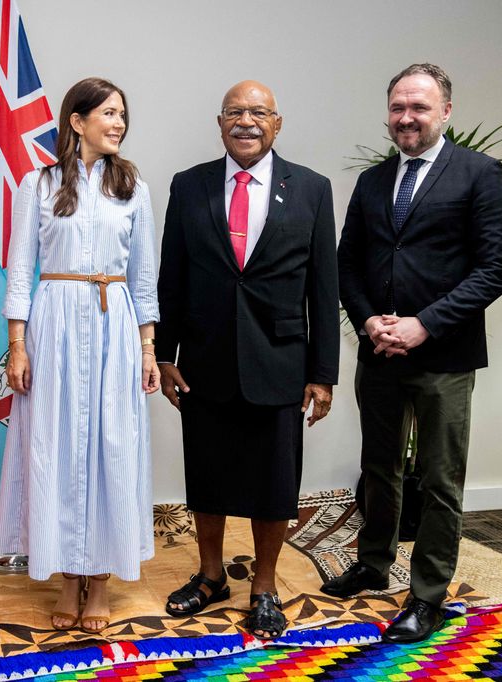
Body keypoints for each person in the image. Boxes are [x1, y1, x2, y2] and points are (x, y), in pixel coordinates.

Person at [324, 63, 502, 643]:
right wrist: (368, 322)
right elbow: (347, 261)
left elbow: (495, 269)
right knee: (378, 468)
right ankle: (373, 563)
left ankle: (428, 595)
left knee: (438, 478)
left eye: (420, 107)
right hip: (378, 353)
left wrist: (423, 326)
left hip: (444, 359)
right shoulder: (374, 181)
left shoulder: (480, 174)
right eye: (398, 107)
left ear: (445, 113)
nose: (407, 117)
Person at [156, 81, 339, 639]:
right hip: (204, 360)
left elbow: (323, 288)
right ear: (220, 122)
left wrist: (323, 374)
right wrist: (164, 354)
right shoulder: (189, 186)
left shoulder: (311, 188)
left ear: (277, 123)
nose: (247, 121)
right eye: (236, 111)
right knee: (207, 474)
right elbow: (172, 277)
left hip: (280, 361)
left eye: (258, 112)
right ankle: (210, 575)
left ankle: (263, 585)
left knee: (272, 481)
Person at [0, 77, 160, 634]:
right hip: (54, 326)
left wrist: (148, 349)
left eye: (122, 114)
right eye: (108, 113)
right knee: (56, 448)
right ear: (76, 120)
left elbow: (143, 278)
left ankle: (102, 583)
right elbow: (19, 271)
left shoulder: (134, 186)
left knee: (112, 448)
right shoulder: (36, 184)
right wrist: (17, 346)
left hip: (114, 330)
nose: (118, 124)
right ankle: (67, 577)